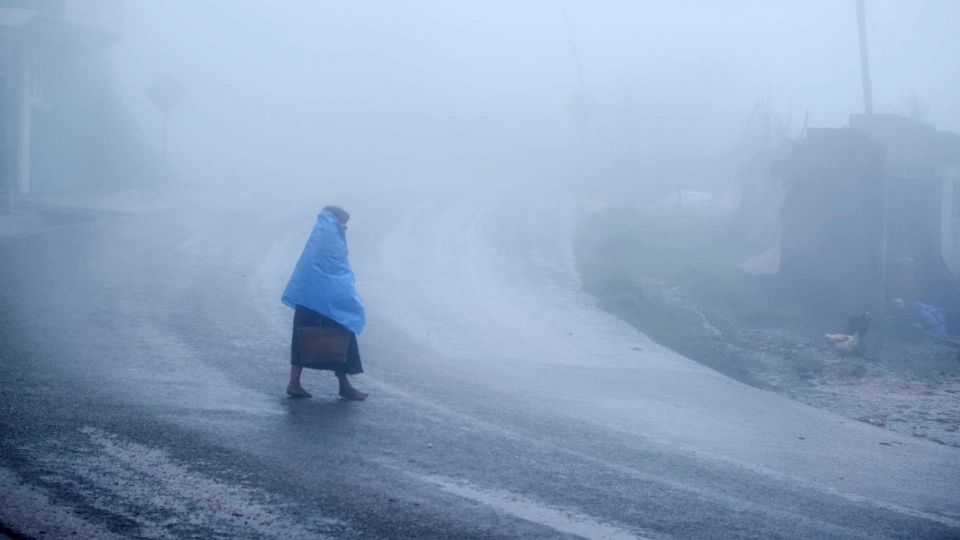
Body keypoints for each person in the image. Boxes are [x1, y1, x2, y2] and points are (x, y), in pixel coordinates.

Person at [281, 205, 367, 400]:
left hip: (308, 297)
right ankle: (344, 385)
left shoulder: (318, 238)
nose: (345, 228)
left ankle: (294, 383)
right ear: (335, 222)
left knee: (301, 337)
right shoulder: (331, 240)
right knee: (342, 335)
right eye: (343, 224)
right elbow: (337, 271)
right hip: (327, 300)